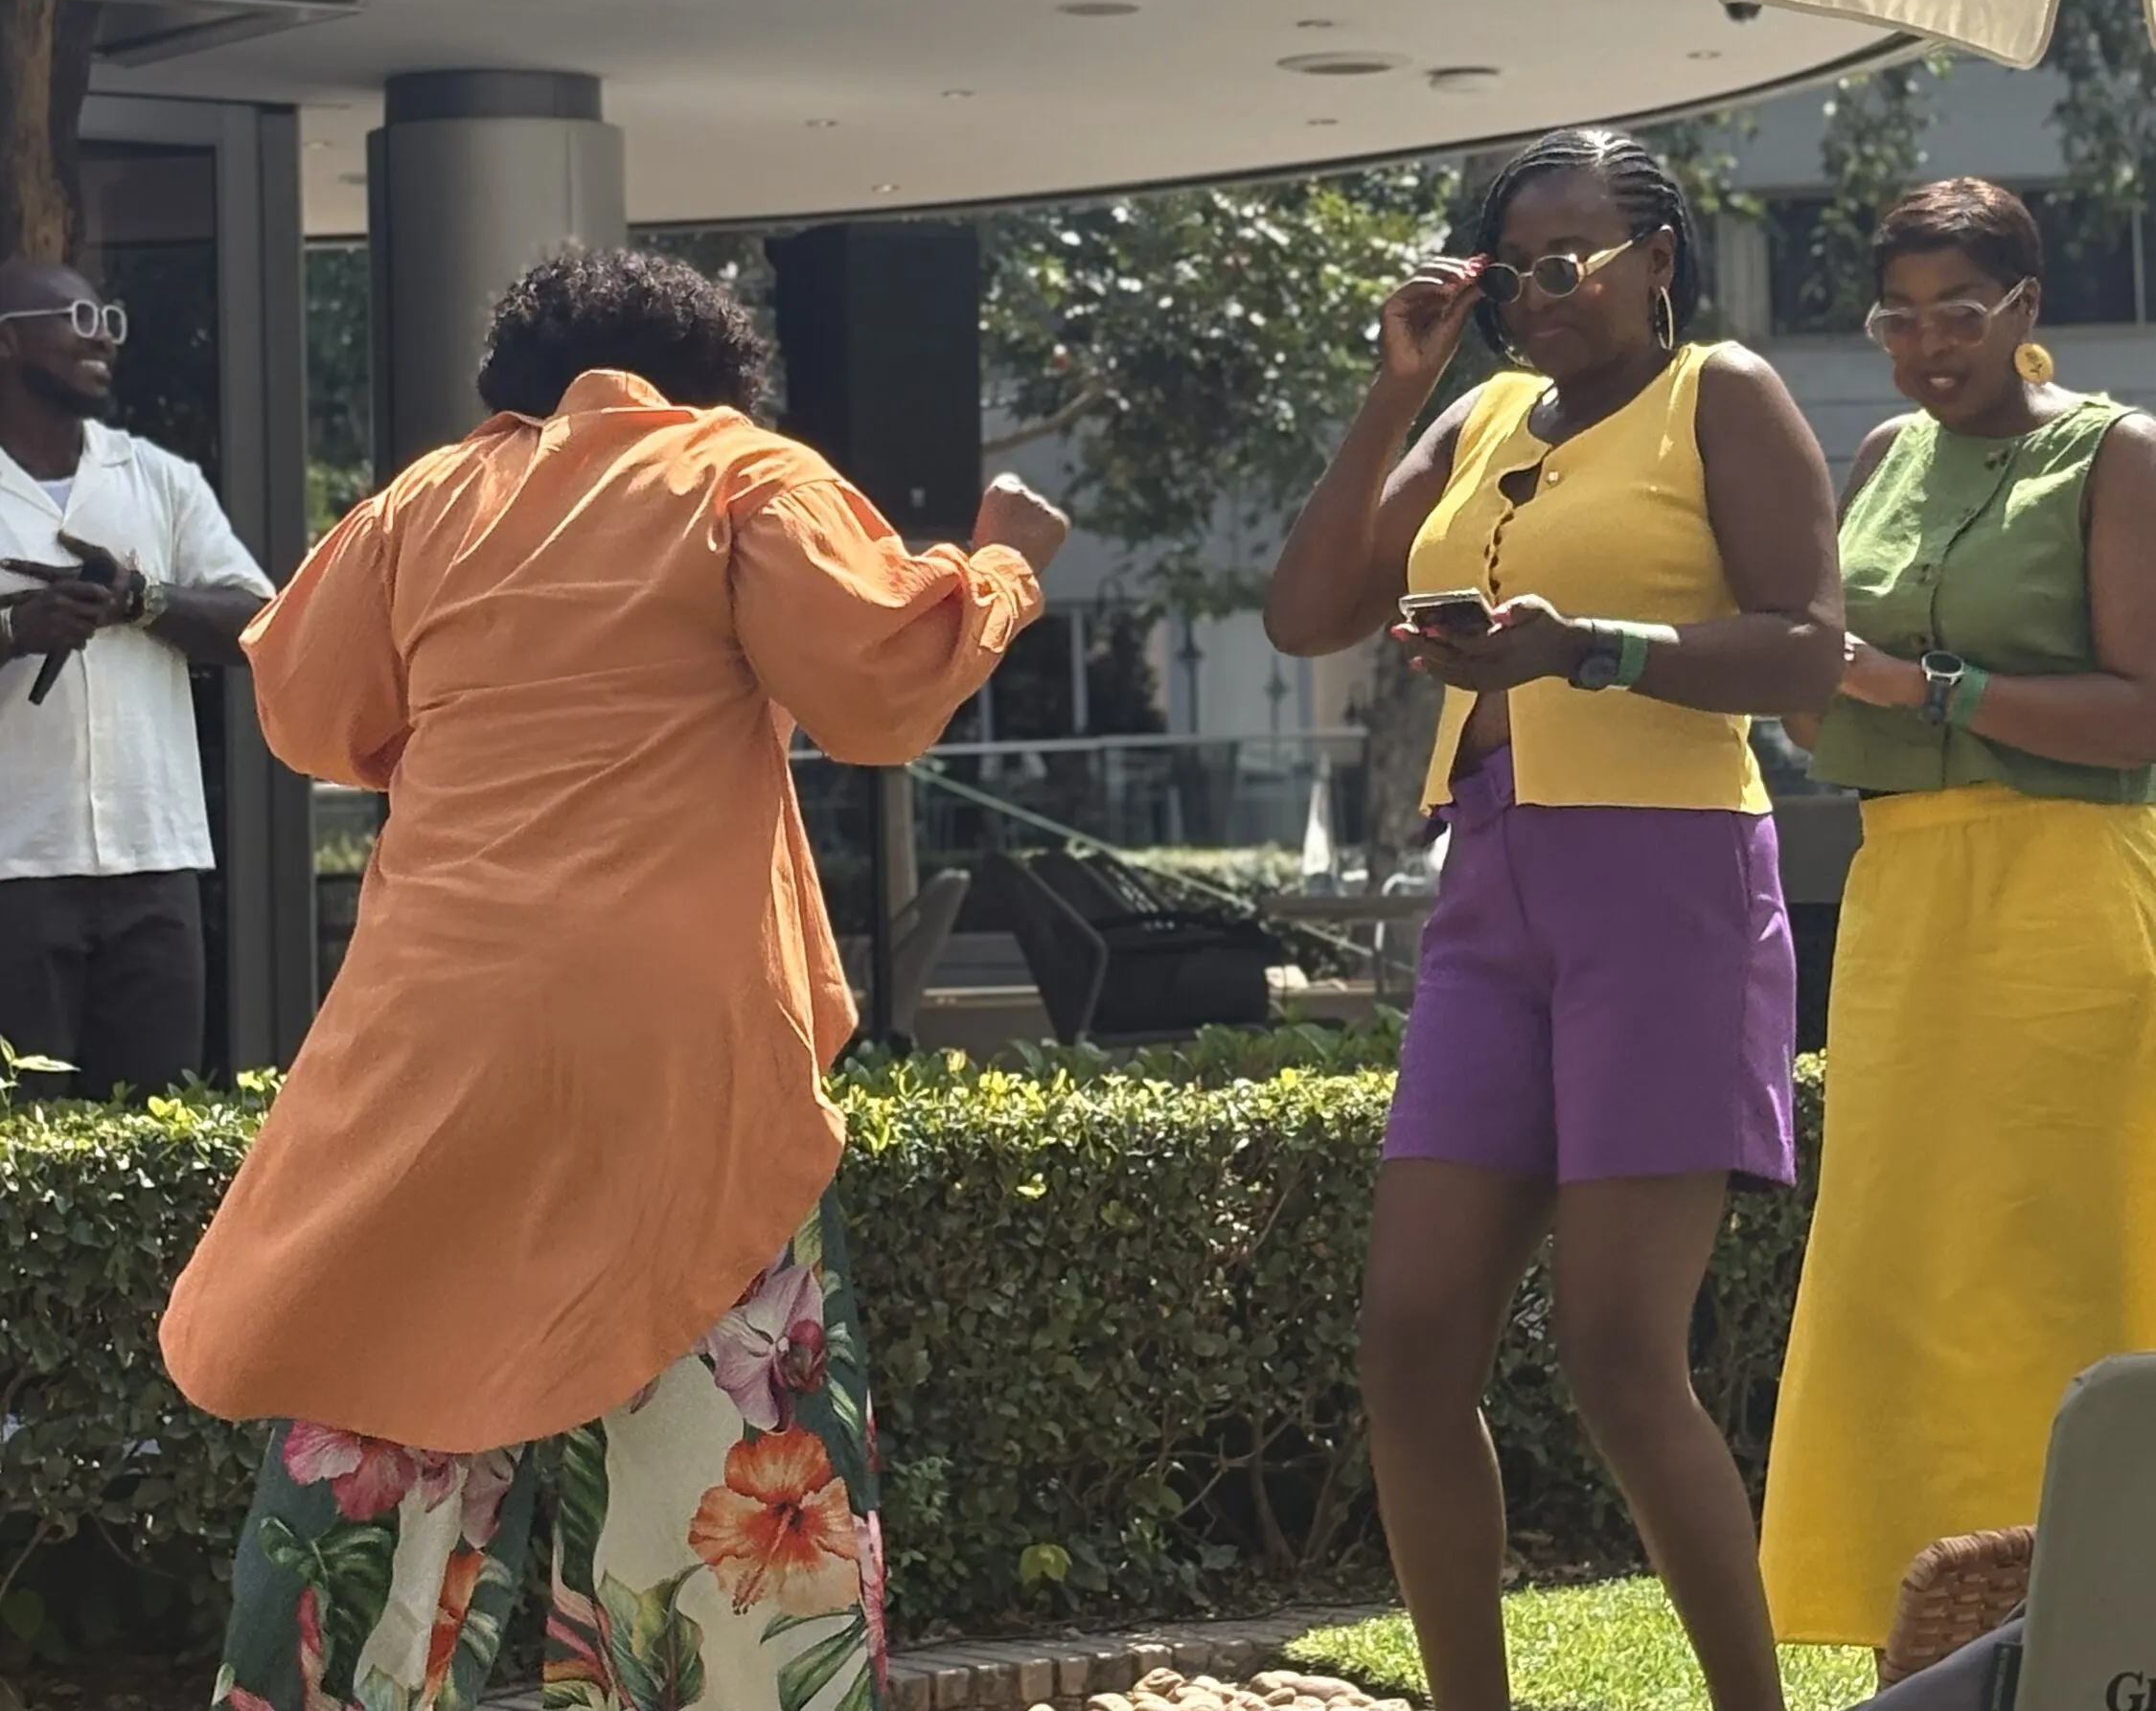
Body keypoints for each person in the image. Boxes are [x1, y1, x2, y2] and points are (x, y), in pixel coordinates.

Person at [161, 244, 1068, 1711]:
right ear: (717, 381)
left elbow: (314, 714)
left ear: (502, 396)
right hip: (678, 1036)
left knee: (389, 1398)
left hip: (436, 1032)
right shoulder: (740, 474)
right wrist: (1002, 561)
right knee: (722, 1455)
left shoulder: (421, 504)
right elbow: (879, 687)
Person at [1267, 127, 1842, 1711]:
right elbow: (1309, 612)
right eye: (1515, 265)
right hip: (1490, 886)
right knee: (1410, 1339)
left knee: (1615, 1353)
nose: (1539, 290)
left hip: (1667, 887)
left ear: (1657, 259)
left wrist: (1591, 648)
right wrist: (1400, 383)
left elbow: (1806, 650)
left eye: (1570, 258)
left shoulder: (1722, 395)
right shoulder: (1480, 411)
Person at [1761, 179, 2156, 1651]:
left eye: (1959, 314)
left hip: (2064, 897)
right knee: (1898, 1279)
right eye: (1896, 318)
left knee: (2059, 1257)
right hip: (1901, 899)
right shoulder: (1877, 454)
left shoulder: (2114, 456)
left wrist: (1928, 691)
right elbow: (1831, 703)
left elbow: (2144, 713)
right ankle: (1917, 1622)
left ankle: (2095, 1611)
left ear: (2025, 312)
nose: (1927, 346)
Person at [0, 256, 272, 1098]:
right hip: (15, 864)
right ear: (8, 343)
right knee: (20, 1141)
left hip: (155, 863)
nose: (102, 342)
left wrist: (141, 598)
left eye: (107, 321)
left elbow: (263, 623)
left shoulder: (158, 480)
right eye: (75, 322)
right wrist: (15, 628)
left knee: (150, 1132)